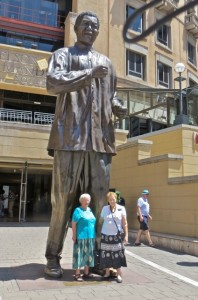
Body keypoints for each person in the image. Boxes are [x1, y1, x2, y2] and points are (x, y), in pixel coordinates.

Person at [44, 11, 127, 278]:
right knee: (63, 201)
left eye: (95, 26)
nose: (90, 29)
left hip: (100, 141)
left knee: (101, 203)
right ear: (76, 28)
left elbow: (110, 96)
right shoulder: (62, 55)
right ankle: (52, 257)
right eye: (85, 25)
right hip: (70, 138)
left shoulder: (107, 63)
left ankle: (100, 260)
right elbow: (53, 83)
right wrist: (89, 74)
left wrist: (118, 106)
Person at [99, 191, 128, 283]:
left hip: (116, 236)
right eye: (110, 200)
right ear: (108, 200)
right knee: (106, 254)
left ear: (116, 199)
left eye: (114, 199)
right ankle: (107, 273)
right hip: (106, 235)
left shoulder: (121, 208)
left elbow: (124, 223)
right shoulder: (105, 208)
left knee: (117, 255)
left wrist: (126, 235)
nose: (112, 201)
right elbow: (101, 220)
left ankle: (119, 274)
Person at [72, 193, 96, 281]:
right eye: (85, 200)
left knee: (89, 254)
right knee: (79, 254)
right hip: (81, 236)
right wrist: (74, 235)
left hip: (91, 236)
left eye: (88, 200)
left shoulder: (89, 210)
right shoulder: (78, 210)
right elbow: (73, 223)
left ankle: (86, 272)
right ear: (81, 201)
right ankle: (77, 274)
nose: (87, 202)